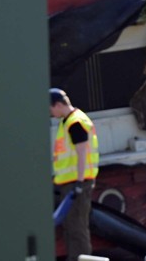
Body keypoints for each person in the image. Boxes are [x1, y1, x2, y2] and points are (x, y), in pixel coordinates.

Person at [49, 88, 99, 261]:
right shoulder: (68, 121)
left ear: (58, 104)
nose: (50, 113)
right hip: (72, 183)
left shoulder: (74, 122)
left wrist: (78, 182)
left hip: (77, 183)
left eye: (50, 109)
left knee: (77, 229)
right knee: (72, 227)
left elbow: (82, 151)